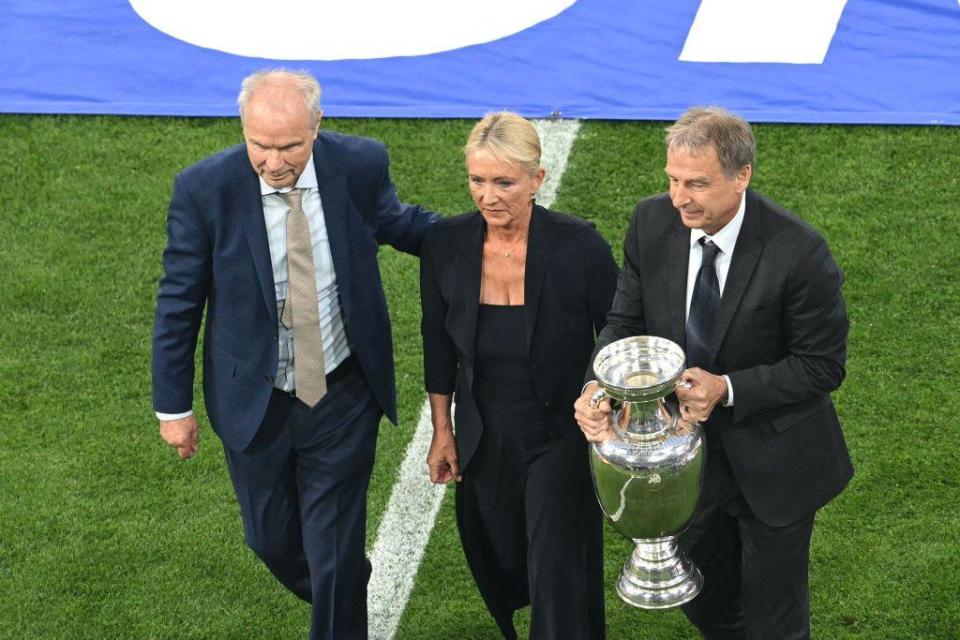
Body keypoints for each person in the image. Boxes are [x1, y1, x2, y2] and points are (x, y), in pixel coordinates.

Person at [151, 69, 437, 640]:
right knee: (270, 541)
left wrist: (488, 233)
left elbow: (397, 224)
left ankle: (339, 590)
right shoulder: (204, 189)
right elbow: (178, 303)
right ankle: (345, 582)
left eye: (290, 146)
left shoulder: (357, 164)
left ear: (317, 126)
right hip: (255, 402)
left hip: (343, 390)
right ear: (243, 130)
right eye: (260, 145)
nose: (275, 161)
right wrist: (172, 408)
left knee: (331, 552)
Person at [574, 106, 853, 639]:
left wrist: (728, 390)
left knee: (775, 622)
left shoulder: (799, 252)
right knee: (707, 605)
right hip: (686, 465)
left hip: (774, 465)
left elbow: (822, 365)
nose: (680, 198)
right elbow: (625, 322)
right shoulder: (652, 222)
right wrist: (597, 388)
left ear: (741, 175)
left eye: (697, 184)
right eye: (674, 180)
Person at [421, 112, 618, 639]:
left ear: (537, 179)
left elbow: (621, 327)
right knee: (501, 556)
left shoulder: (580, 247)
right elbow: (437, 343)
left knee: (558, 570)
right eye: (477, 180)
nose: (488, 196)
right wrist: (443, 429)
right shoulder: (445, 245)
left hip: (561, 434)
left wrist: (604, 399)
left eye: (504, 182)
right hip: (486, 435)